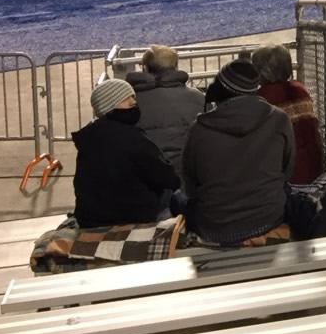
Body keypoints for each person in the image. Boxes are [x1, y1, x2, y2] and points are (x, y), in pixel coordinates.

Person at [181, 60, 293, 244]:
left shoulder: (199, 129)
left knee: (177, 199)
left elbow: (190, 185)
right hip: (268, 220)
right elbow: (286, 171)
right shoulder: (280, 119)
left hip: (214, 227)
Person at [72, 79, 179, 227]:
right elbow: (166, 177)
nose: (133, 102)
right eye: (124, 99)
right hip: (131, 217)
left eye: (132, 96)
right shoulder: (131, 137)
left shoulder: (88, 138)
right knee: (178, 196)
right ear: (108, 107)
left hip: (90, 219)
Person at [251, 44, 324, 185]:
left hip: (286, 174)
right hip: (314, 166)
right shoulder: (300, 89)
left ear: (264, 71)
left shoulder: (262, 98)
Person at [126, 45, 204, 174]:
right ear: (175, 67)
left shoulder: (131, 102)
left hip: (146, 174)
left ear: (145, 68)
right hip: (187, 172)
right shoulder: (197, 97)